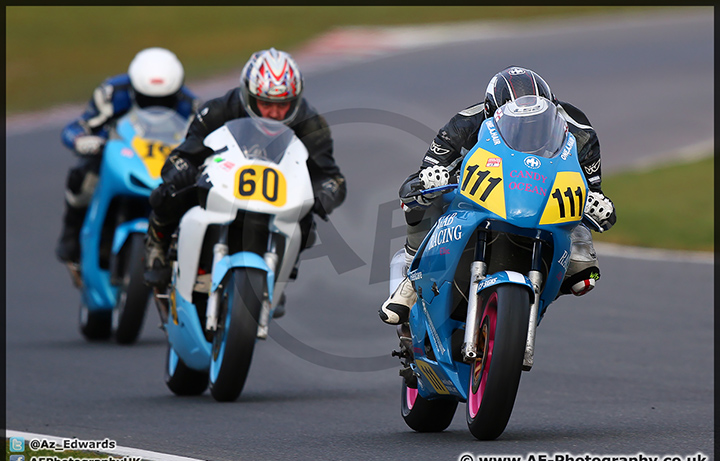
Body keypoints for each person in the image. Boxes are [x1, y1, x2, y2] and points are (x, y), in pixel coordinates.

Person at [379, 66, 616, 325]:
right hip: (477, 195)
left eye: (536, 121)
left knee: (584, 276)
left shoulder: (580, 132)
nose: (528, 129)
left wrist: (598, 205)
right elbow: (422, 176)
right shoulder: (463, 124)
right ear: (491, 113)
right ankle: (411, 279)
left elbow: (592, 190)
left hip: (543, 198)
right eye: (519, 123)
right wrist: (430, 180)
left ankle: (540, 296)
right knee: (422, 199)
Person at [143, 47, 346, 317]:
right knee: (170, 192)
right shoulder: (218, 109)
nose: (273, 113)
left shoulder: (311, 123)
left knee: (307, 218)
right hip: (221, 180)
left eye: (282, 105)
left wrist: (325, 194)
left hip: (276, 193)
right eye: (266, 103)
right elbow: (185, 152)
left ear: (295, 100)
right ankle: (158, 241)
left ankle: (280, 277)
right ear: (249, 96)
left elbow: (331, 175)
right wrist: (179, 168)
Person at [55, 47, 200, 265]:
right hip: (120, 155)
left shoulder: (190, 107)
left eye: (165, 100)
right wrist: (81, 140)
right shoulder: (112, 94)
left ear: (177, 92)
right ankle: (71, 235)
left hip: (162, 164)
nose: (156, 107)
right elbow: (80, 125)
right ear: (134, 90)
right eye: (147, 99)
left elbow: (200, 140)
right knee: (83, 177)